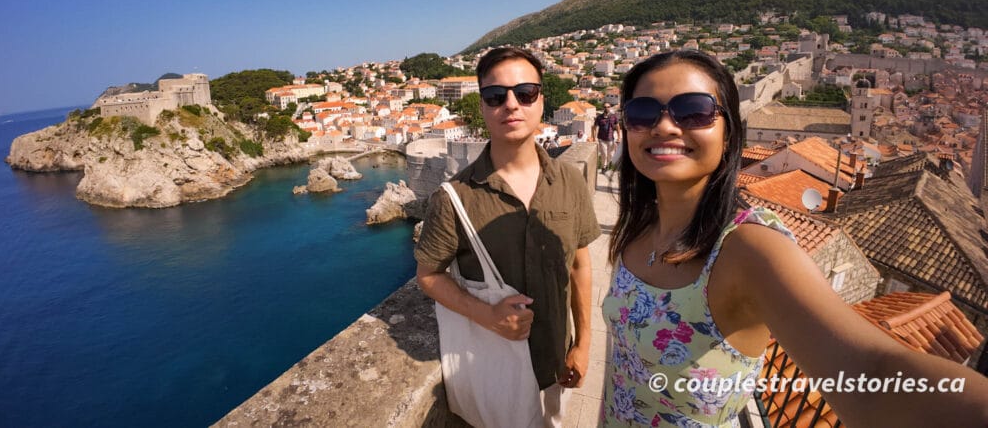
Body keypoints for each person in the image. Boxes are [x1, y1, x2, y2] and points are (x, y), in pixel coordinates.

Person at [602, 49, 988, 427]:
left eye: (693, 111)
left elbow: (870, 368)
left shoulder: (751, 247)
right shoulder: (640, 224)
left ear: (729, 133)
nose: (665, 127)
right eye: (642, 113)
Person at [415, 47, 601, 426]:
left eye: (526, 93)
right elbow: (428, 275)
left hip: (555, 358)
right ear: (483, 107)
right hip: (492, 368)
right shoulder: (454, 197)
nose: (511, 104)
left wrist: (582, 345)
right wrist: (487, 315)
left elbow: (580, 263)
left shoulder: (568, 180)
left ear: (541, 101)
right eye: (496, 96)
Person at [594, 102, 621, 171]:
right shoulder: (599, 117)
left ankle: (608, 166)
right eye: (605, 107)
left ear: (610, 107)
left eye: (608, 107)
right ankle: (604, 167)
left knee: (610, 155)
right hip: (602, 139)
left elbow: (617, 127)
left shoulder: (613, 116)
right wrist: (595, 137)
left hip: (611, 139)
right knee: (604, 154)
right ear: (603, 108)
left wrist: (619, 137)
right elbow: (596, 127)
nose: (607, 108)